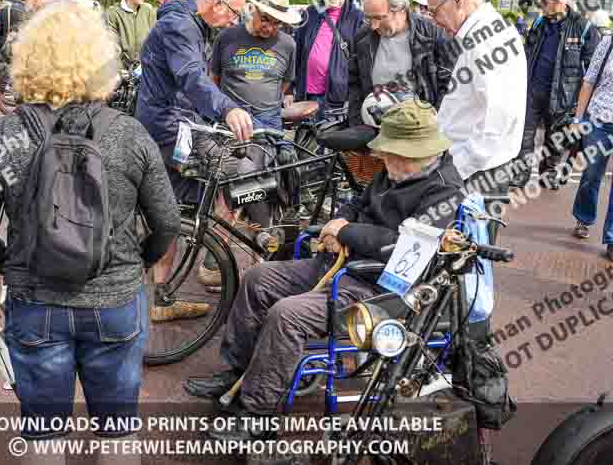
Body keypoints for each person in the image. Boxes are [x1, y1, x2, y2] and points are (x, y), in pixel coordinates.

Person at [0, 0, 180, 465]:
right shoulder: (129, 133)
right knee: (118, 430)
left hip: (36, 299)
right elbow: (168, 223)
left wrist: (5, 261)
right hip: (115, 298)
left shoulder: (7, 135)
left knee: (43, 432)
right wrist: (136, 262)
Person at [184, 100, 463, 439]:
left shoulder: (443, 189)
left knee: (288, 315)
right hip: (341, 266)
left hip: (378, 291)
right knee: (258, 279)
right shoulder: (395, 171)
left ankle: (258, 414)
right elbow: (358, 203)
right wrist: (337, 222)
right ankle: (238, 372)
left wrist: (345, 232)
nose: (382, 159)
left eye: (391, 153)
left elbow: (401, 247)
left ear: (415, 153)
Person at [135, 0, 252, 321]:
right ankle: (217, 259)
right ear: (216, 4)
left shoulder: (187, 20)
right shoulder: (181, 27)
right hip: (169, 130)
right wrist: (227, 109)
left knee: (170, 215)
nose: (234, 21)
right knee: (239, 169)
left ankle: (161, 299)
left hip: (172, 127)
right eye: (233, 13)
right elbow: (191, 77)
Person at [195, 0, 300, 286]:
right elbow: (212, 81)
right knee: (229, 195)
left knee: (262, 195)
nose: (271, 27)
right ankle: (214, 266)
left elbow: (282, 87)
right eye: (266, 19)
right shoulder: (227, 37)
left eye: (278, 22)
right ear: (252, 10)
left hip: (268, 131)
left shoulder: (288, 45)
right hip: (229, 131)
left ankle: (259, 271)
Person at [425, 0, 527, 202]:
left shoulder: (486, 39)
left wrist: (454, 171)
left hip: (474, 173)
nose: (434, 20)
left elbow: (496, 121)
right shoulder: (487, 32)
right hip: (475, 167)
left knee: (464, 237)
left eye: (435, 11)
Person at [513, 0, 600, 189]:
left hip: (564, 94)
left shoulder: (584, 27)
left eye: (545, 3)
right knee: (525, 134)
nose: (541, 7)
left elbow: (592, 69)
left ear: (559, 3)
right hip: (533, 89)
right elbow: (528, 52)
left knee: (556, 138)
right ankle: (520, 175)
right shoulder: (539, 23)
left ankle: (548, 173)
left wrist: (583, 103)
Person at [347, 0, 453, 126]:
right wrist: (357, 127)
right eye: (368, 17)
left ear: (401, 9)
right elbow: (355, 85)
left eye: (379, 17)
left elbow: (449, 85)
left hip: (420, 130)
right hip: (376, 129)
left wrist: (432, 126)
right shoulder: (362, 37)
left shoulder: (432, 34)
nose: (373, 25)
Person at [291, 0, 364, 122]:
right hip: (305, 95)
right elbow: (295, 53)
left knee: (333, 145)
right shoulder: (310, 13)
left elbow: (363, 62)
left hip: (337, 100)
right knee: (305, 144)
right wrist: (289, 90)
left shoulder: (357, 18)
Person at [569, 34, 613, 254]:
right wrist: (578, 119)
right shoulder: (608, 42)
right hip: (599, 120)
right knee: (591, 175)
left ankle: (612, 238)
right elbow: (589, 81)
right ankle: (584, 218)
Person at [106, 0, 157, 69]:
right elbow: (111, 46)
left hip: (147, 67)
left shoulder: (148, 10)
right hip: (123, 70)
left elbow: (155, 40)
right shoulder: (113, 13)